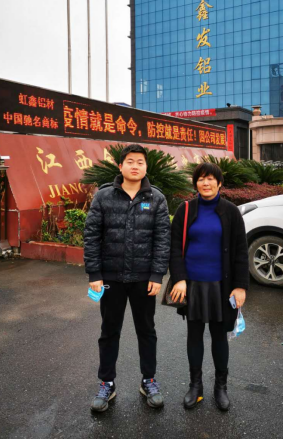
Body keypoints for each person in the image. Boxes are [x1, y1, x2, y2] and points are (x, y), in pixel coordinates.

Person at [84, 144, 171, 412]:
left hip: (144, 279)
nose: (135, 166)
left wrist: (157, 274)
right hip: (111, 277)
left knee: (146, 330)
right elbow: (91, 235)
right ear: (120, 166)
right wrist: (94, 273)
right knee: (109, 331)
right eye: (130, 161)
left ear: (146, 167)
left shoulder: (156, 198)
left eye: (140, 162)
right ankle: (107, 383)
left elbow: (162, 239)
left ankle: (149, 380)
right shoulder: (104, 196)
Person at [169, 162, 249, 411]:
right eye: (201, 179)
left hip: (221, 286)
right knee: (194, 336)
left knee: (219, 336)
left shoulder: (231, 212)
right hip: (192, 285)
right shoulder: (185, 210)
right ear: (196, 183)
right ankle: (195, 386)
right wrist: (179, 278)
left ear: (219, 183)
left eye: (211, 179)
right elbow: (175, 247)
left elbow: (241, 251)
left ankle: (220, 387)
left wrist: (240, 286)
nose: (206, 183)